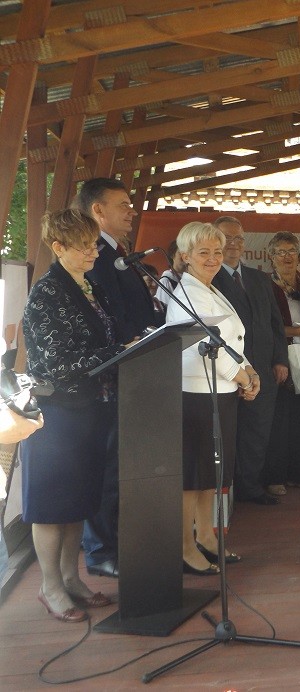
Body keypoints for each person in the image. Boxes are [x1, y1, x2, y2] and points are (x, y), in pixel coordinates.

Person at [20, 209, 127, 622]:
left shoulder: (88, 285)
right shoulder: (47, 294)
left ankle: (71, 577)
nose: (93, 253)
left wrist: (126, 347)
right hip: (57, 414)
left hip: (90, 408)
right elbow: (58, 365)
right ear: (58, 247)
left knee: (78, 500)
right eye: (83, 246)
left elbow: (101, 341)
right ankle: (50, 586)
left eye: (94, 244)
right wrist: (118, 352)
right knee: (52, 505)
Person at [76, 177, 162, 580]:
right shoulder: (96, 257)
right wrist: (139, 337)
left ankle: (118, 540)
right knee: (108, 465)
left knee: (123, 464)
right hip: (112, 375)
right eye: (123, 204)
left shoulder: (118, 254)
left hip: (136, 369)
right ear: (98, 210)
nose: (132, 211)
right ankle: (100, 549)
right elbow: (108, 316)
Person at [166, 221, 260, 575]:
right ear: (186, 255)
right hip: (196, 394)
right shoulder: (188, 292)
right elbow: (207, 346)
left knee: (211, 474)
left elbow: (232, 341)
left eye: (217, 252)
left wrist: (249, 370)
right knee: (193, 477)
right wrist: (242, 377)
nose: (213, 258)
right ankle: (184, 547)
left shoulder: (211, 287)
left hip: (221, 391)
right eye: (203, 252)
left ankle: (206, 536)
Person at [212, 216, 288, 506]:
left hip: (263, 370)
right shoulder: (209, 279)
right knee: (228, 434)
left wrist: (280, 359)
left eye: (239, 238)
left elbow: (275, 323)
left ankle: (251, 488)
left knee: (258, 432)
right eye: (227, 238)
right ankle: (225, 493)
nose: (234, 244)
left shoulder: (259, 278)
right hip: (228, 371)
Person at [264, 232, 300, 495]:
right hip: (280, 359)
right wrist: (299, 332)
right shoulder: (266, 286)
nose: (287, 257)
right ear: (271, 257)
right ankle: (275, 477)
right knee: (280, 421)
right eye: (281, 252)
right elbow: (266, 328)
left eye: (292, 251)